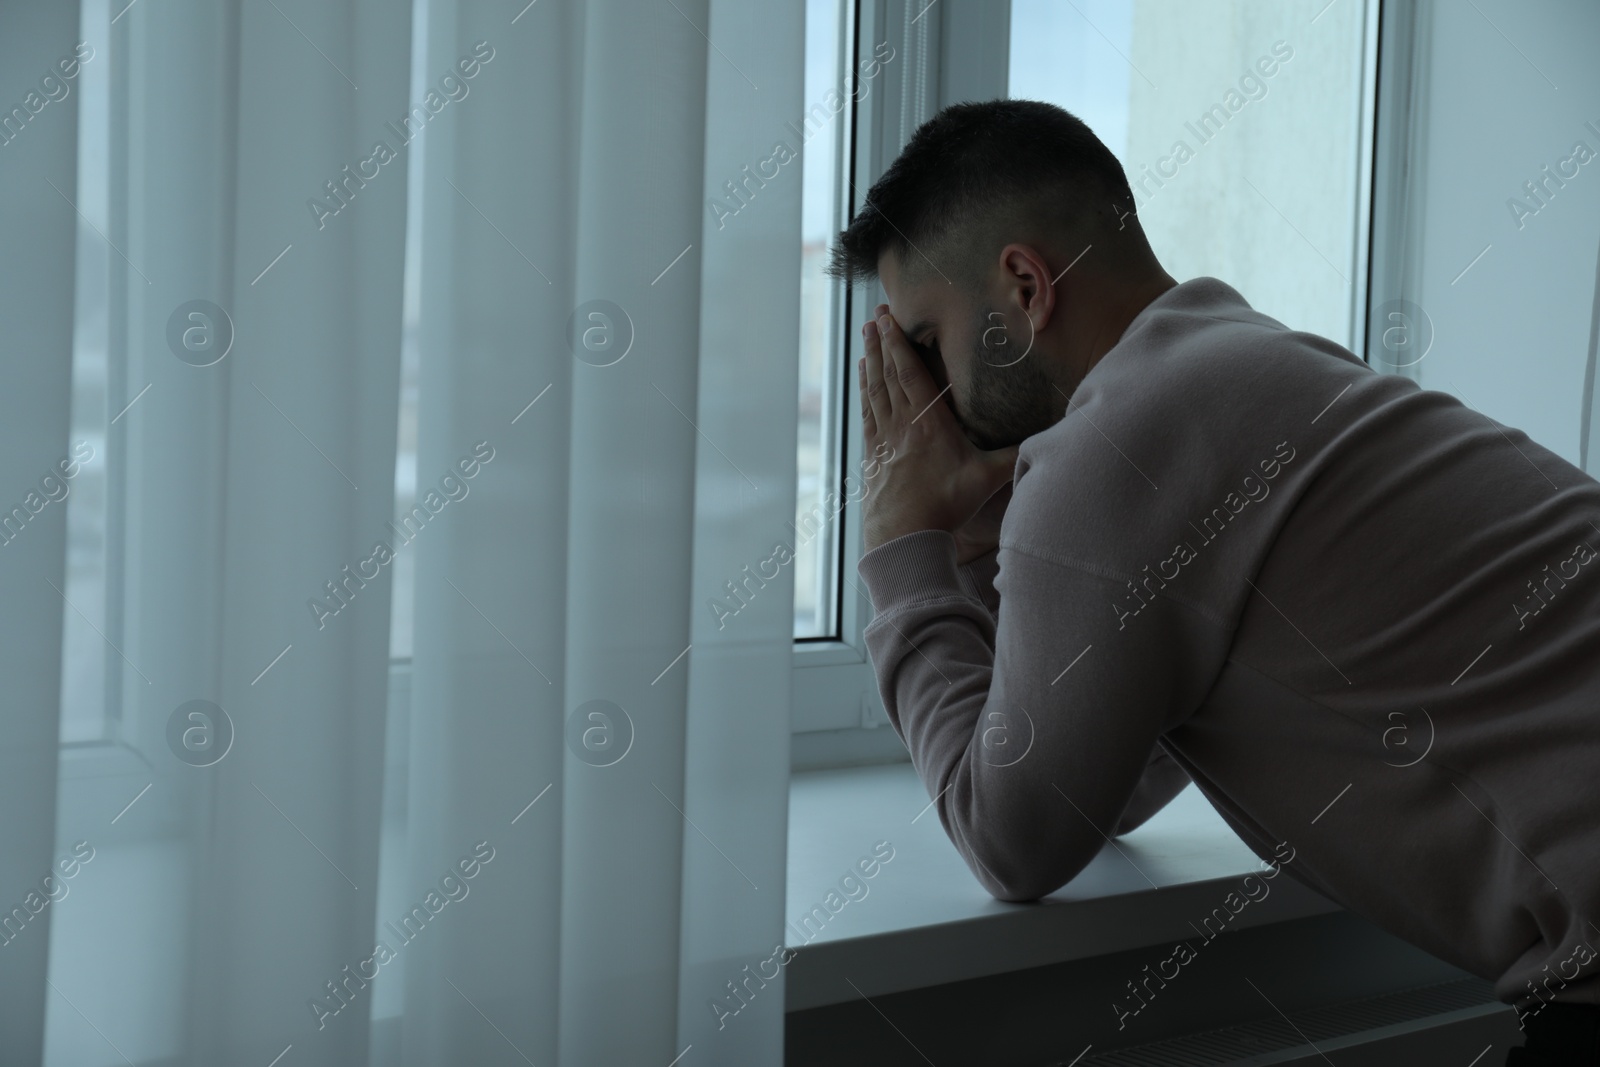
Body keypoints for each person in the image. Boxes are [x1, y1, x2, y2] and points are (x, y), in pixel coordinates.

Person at [826, 98, 1600, 1066]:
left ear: (1023, 284)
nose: (922, 395)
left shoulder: (1114, 449)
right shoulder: (1253, 364)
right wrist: (996, 550)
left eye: (927, 340)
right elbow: (1100, 778)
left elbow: (1013, 838)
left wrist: (901, 547)